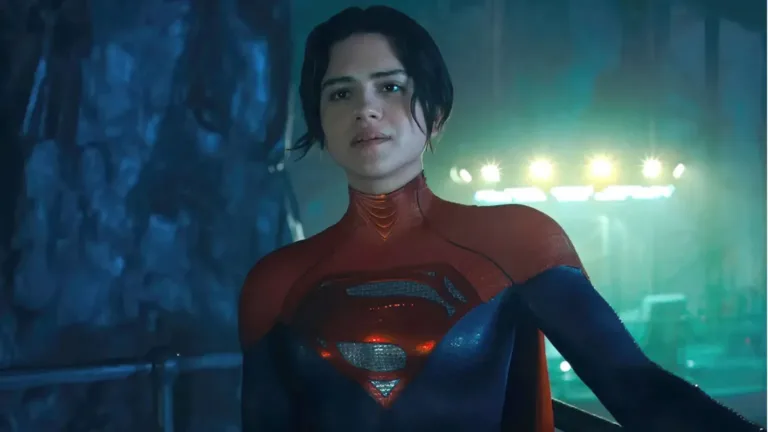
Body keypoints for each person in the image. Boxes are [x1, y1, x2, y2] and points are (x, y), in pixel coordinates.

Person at [238, 6, 763, 432]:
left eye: (390, 86)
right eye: (341, 92)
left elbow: (636, 389)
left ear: (436, 112)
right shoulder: (275, 283)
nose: (365, 109)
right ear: (319, 122)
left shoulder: (517, 241)